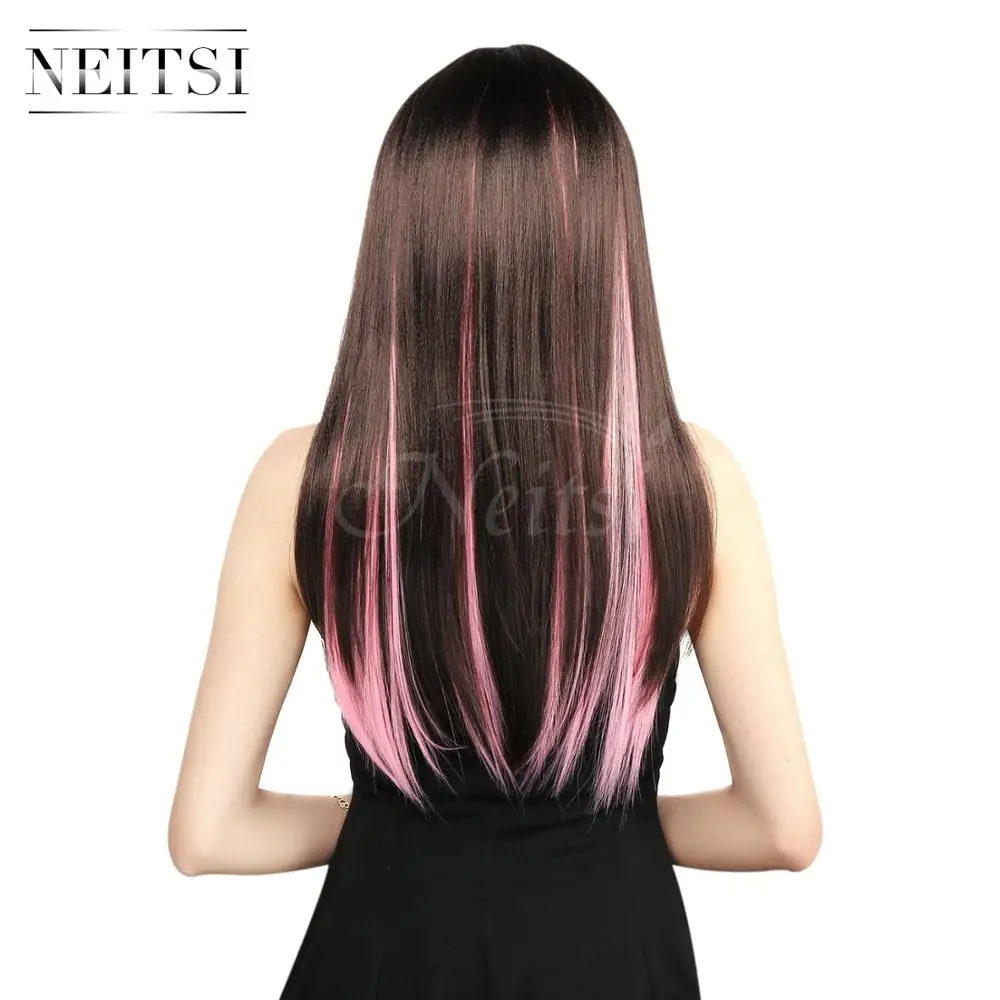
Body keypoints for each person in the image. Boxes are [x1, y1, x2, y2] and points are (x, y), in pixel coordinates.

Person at [168, 43, 821, 999]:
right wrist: (609, 826)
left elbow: (210, 833)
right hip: (613, 964)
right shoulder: (690, 482)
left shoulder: (309, 477)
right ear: (608, 245)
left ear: (403, 241)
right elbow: (783, 829)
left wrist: (393, 820)